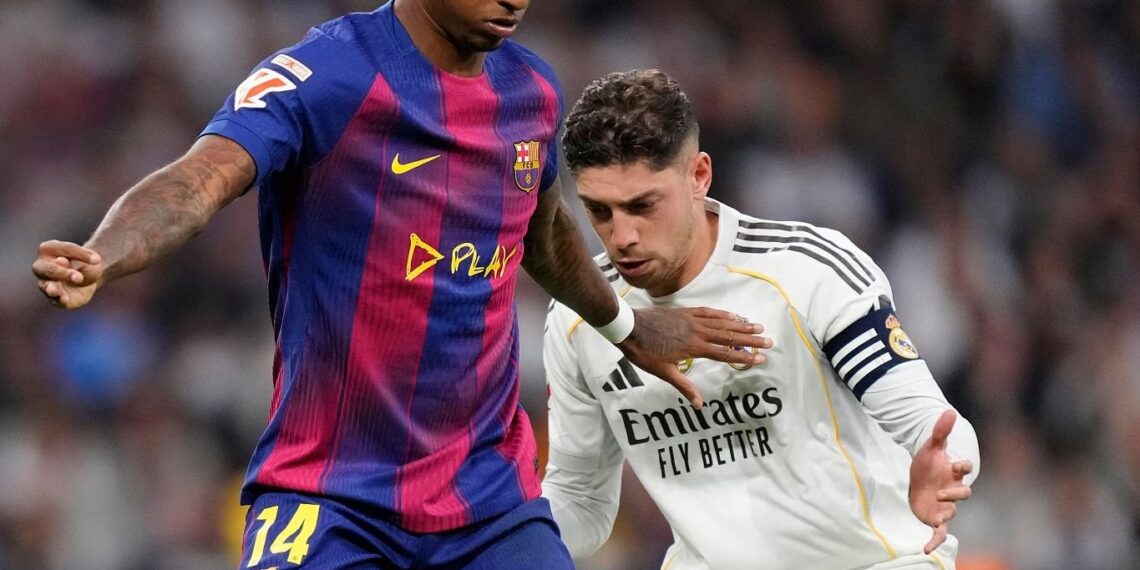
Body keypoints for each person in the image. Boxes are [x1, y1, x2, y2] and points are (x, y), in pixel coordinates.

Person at [31, 3, 770, 568]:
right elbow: (202, 176)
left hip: (490, 501)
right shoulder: (327, 76)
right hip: (330, 496)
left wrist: (628, 328)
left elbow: (539, 233)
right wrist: (104, 252)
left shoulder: (531, 93)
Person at [541, 69, 981, 570]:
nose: (622, 237)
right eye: (600, 212)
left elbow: (936, 426)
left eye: (643, 206)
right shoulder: (581, 318)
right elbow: (581, 499)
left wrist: (944, 466)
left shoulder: (804, 271)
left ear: (698, 176)